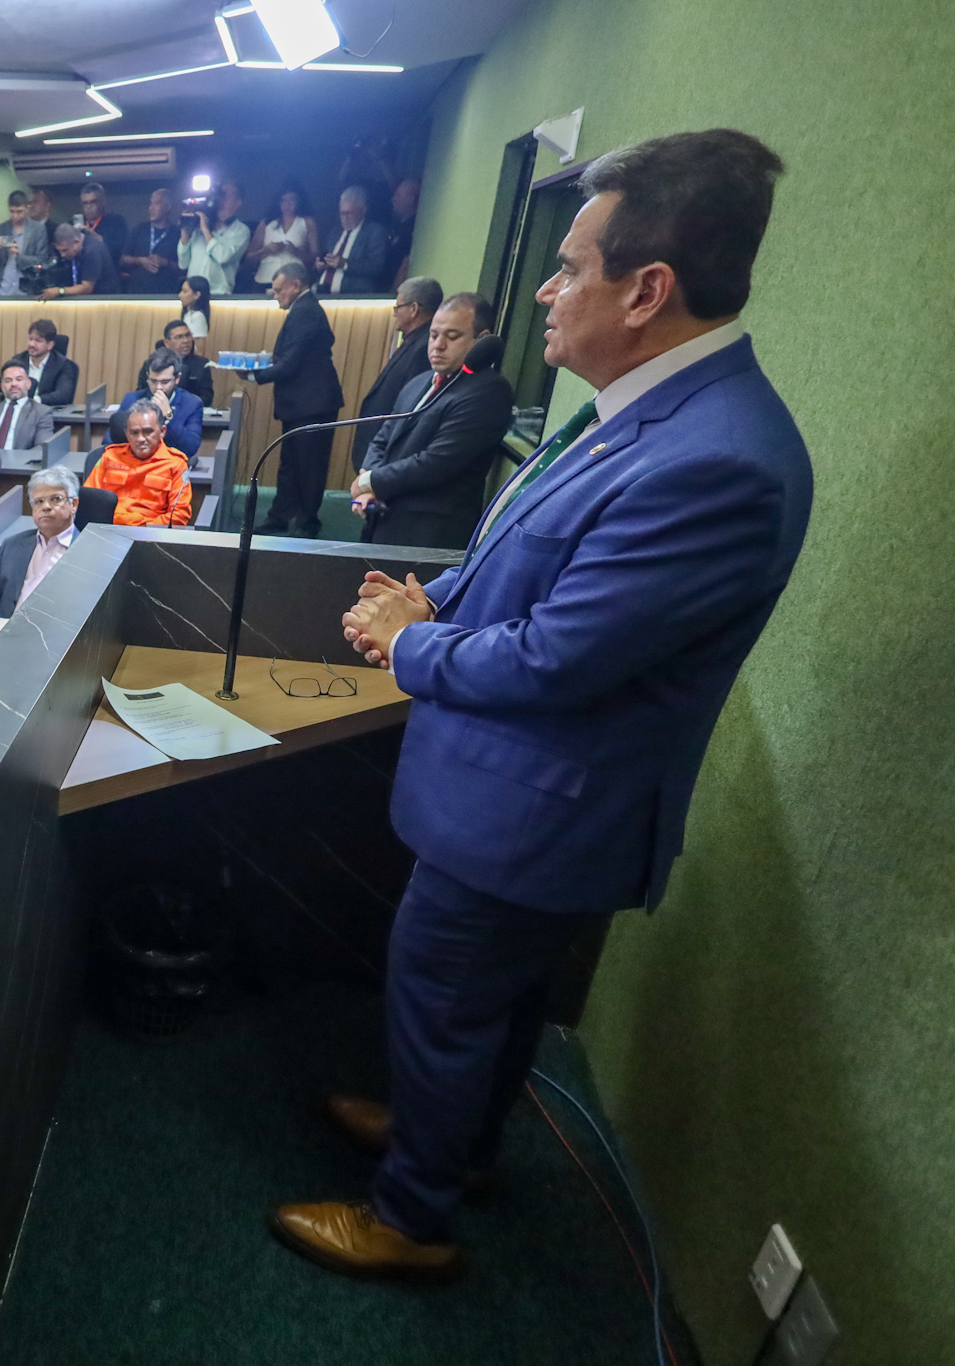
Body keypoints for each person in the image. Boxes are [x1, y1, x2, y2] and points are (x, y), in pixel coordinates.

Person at [286, 128, 812, 1284]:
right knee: (486, 1002)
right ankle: (451, 1143)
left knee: (442, 993)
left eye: (568, 266)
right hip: (515, 801)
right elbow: (532, 559)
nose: (541, 288)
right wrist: (437, 598)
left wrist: (413, 640)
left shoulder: (716, 459)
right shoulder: (641, 405)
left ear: (646, 290)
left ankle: (409, 1217)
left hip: (536, 814)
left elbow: (557, 659)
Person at [350, 292, 513, 549]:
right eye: (434, 335)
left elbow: (435, 463)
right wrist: (371, 484)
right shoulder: (419, 382)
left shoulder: (489, 392)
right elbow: (382, 439)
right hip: (381, 520)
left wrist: (369, 482)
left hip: (429, 536)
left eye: (452, 336)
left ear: (481, 339)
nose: (438, 345)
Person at [246, 263, 344, 536]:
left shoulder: (306, 311)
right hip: (305, 403)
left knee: (308, 467)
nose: (276, 295)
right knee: (291, 465)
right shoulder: (306, 308)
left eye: (279, 290)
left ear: (296, 285)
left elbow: (290, 364)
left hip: (312, 404)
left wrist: (253, 375)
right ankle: (281, 517)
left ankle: (306, 523)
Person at [351, 276, 444, 456]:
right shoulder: (414, 340)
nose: (395, 313)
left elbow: (410, 407)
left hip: (387, 453)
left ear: (413, 309)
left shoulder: (424, 348)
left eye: (398, 307)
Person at [0, 465, 80, 617]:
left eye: (56, 499)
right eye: (39, 501)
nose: (46, 507)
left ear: (73, 505)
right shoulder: (12, 545)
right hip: (5, 628)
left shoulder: (88, 553)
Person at [83, 400, 193, 526]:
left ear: (162, 432)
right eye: (134, 433)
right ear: (126, 433)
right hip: (108, 529)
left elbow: (179, 516)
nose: (140, 439)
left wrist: (143, 527)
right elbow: (89, 502)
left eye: (147, 432)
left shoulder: (176, 464)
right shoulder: (109, 456)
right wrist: (130, 522)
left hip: (152, 533)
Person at [122, 350, 204, 454]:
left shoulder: (192, 404)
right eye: (153, 381)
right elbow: (110, 441)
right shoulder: (131, 399)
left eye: (165, 382)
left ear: (177, 378)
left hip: (173, 461)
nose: (158, 387)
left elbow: (190, 447)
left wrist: (169, 416)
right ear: (147, 376)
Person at [318, 185, 393, 295]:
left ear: (363, 211)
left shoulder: (375, 232)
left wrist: (345, 264)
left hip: (353, 295)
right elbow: (324, 259)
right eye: (342, 213)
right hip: (322, 293)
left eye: (349, 213)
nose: (345, 218)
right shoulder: (335, 233)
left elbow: (376, 266)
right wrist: (320, 265)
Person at [180, 181, 250, 294]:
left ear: (238, 202)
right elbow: (183, 264)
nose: (220, 201)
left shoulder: (241, 230)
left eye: (225, 197)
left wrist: (205, 230)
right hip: (192, 294)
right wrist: (185, 231)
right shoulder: (198, 226)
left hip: (219, 293)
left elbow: (222, 257)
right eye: (219, 196)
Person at [246, 183, 319, 292]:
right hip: (265, 278)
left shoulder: (307, 222)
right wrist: (266, 250)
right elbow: (249, 257)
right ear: (278, 202)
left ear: (299, 201)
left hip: (294, 280)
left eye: (292, 200)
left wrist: (296, 252)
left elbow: (315, 257)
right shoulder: (267, 223)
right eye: (283, 201)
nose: (287, 205)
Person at [0, 360, 54, 450]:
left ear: (28, 384)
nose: (14, 384)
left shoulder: (41, 412)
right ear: (2, 387)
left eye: (19, 379)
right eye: (8, 380)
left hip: (16, 457)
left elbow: (42, 448)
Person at [0, 189, 50, 297]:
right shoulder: (0, 229)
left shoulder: (38, 229)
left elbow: (42, 261)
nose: (15, 216)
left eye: (19, 211)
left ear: (27, 207)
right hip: (2, 290)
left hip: (27, 290)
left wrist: (19, 257)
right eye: (12, 211)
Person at [120, 189, 184, 293]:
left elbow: (184, 267)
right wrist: (141, 261)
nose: (151, 208)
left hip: (167, 293)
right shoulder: (139, 229)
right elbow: (123, 259)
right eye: (150, 203)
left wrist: (165, 262)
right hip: (137, 293)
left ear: (168, 206)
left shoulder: (177, 233)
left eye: (156, 203)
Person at [137, 320, 214, 406]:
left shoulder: (202, 364)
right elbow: (141, 393)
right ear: (167, 343)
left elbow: (207, 397)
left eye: (188, 335)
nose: (185, 340)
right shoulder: (152, 363)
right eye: (179, 337)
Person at [38, 223, 119, 300]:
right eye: (59, 251)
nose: (62, 255)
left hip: (105, 300)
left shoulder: (92, 251)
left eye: (65, 250)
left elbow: (87, 288)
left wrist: (59, 291)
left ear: (76, 242)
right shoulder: (75, 252)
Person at [16, 320, 79, 407]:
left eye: (38, 341)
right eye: (30, 339)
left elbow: (63, 394)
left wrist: (35, 400)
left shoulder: (63, 365)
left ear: (50, 345)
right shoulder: (18, 361)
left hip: (47, 411)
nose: (32, 344)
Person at [77, 182, 128, 273]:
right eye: (85, 203)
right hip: (83, 273)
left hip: (108, 273)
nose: (89, 206)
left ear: (102, 201)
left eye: (93, 202)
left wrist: (97, 238)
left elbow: (121, 253)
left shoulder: (116, 221)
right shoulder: (76, 224)